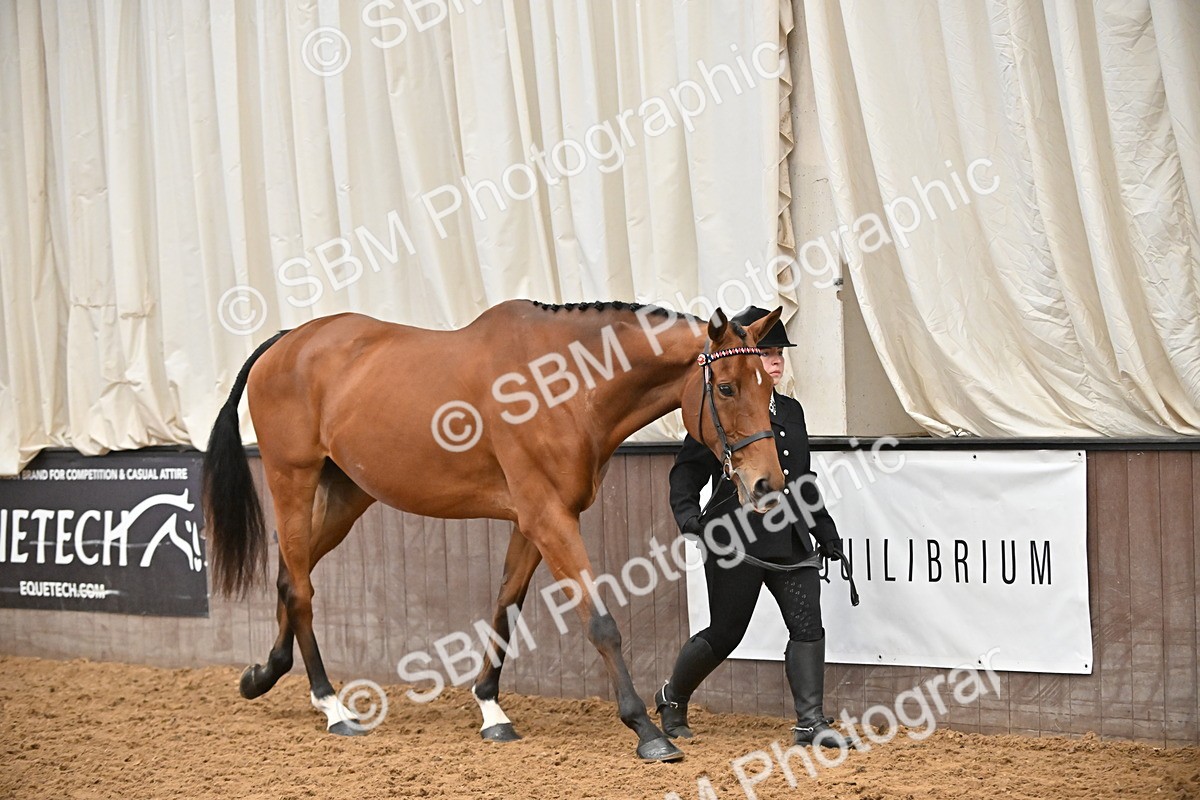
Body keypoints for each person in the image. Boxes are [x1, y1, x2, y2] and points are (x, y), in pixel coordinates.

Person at [655, 306, 848, 748]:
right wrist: (689, 519)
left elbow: (801, 480)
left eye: (780, 354)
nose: (775, 361)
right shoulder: (723, 410)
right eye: (767, 353)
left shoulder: (793, 412)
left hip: (790, 538)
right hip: (735, 540)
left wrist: (825, 531)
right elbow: (687, 473)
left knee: (808, 625)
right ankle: (672, 697)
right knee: (726, 633)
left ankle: (810, 722)